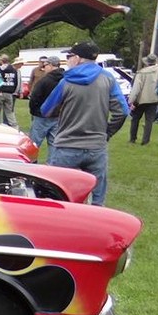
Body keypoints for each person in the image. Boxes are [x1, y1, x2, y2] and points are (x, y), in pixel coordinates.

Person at [40, 40, 127, 206]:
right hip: (96, 146)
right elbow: (122, 111)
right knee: (98, 197)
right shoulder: (108, 79)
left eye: (69, 56)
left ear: (78, 58)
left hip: (66, 145)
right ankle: (94, 225)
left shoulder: (66, 81)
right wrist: (107, 132)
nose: (67, 60)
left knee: (60, 194)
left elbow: (46, 110)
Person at [28, 55, 63, 158]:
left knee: (34, 143)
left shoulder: (45, 80)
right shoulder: (65, 79)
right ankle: (52, 166)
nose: (44, 67)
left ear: (51, 65)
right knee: (54, 144)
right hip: (58, 115)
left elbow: (35, 97)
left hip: (41, 116)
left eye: (46, 65)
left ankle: (31, 164)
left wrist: (34, 112)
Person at [127, 54, 158, 146]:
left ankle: (132, 138)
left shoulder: (141, 72)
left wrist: (131, 100)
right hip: (154, 98)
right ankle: (145, 140)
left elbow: (136, 88)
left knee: (135, 119)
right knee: (149, 121)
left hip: (141, 99)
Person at [0, 54, 19, 127]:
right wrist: (12, 91)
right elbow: (15, 82)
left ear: (1, 61)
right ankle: (14, 126)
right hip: (9, 93)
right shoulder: (14, 70)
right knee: (9, 112)